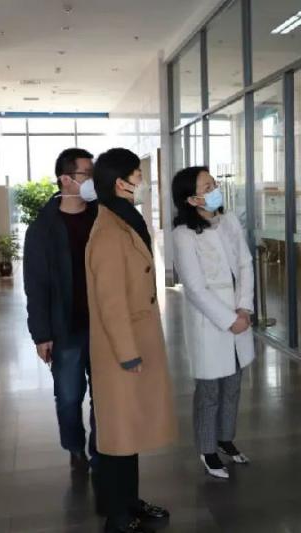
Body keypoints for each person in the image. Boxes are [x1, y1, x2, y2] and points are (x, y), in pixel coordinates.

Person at [86, 148, 176, 533]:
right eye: (137, 175)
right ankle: (118, 516)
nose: (142, 180)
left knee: (130, 430)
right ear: (119, 182)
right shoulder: (108, 231)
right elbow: (110, 302)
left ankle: (130, 502)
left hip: (137, 338)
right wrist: (127, 354)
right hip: (120, 348)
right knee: (118, 435)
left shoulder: (125, 219)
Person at [171, 166, 255, 480]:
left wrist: (244, 307)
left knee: (233, 385)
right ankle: (207, 449)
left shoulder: (228, 221)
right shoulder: (183, 235)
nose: (215, 189)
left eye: (214, 183)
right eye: (207, 187)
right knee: (209, 391)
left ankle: (225, 438)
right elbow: (195, 288)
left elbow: (245, 264)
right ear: (192, 199)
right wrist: (229, 319)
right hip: (212, 322)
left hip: (239, 315)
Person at [24, 148, 98, 473]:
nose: (92, 180)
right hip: (65, 327)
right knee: (69, 396)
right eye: (86, 174)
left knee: (105, 396)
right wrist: (41, 334)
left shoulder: (102, 218)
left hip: (103, 325)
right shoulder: (43, 229)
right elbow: (36, 285)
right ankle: (75, 447)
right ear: (65, 179)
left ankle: (101, 451)